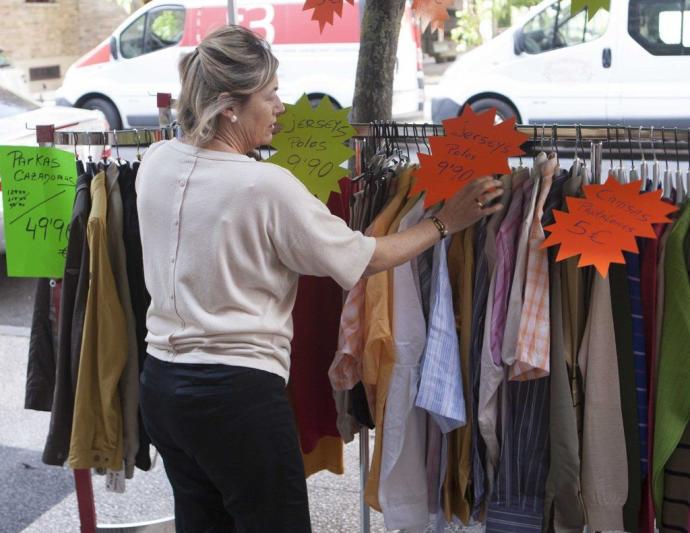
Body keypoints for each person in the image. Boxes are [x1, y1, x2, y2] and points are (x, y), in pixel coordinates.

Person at [136, 24, 503, 533]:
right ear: (229, 107)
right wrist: (445, 223)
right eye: (271, 95)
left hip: (162, 385)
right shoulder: (264, 185)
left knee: (203, 521)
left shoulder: (156, 162)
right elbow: (364, 257)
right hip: (235, 394)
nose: (280, 107)